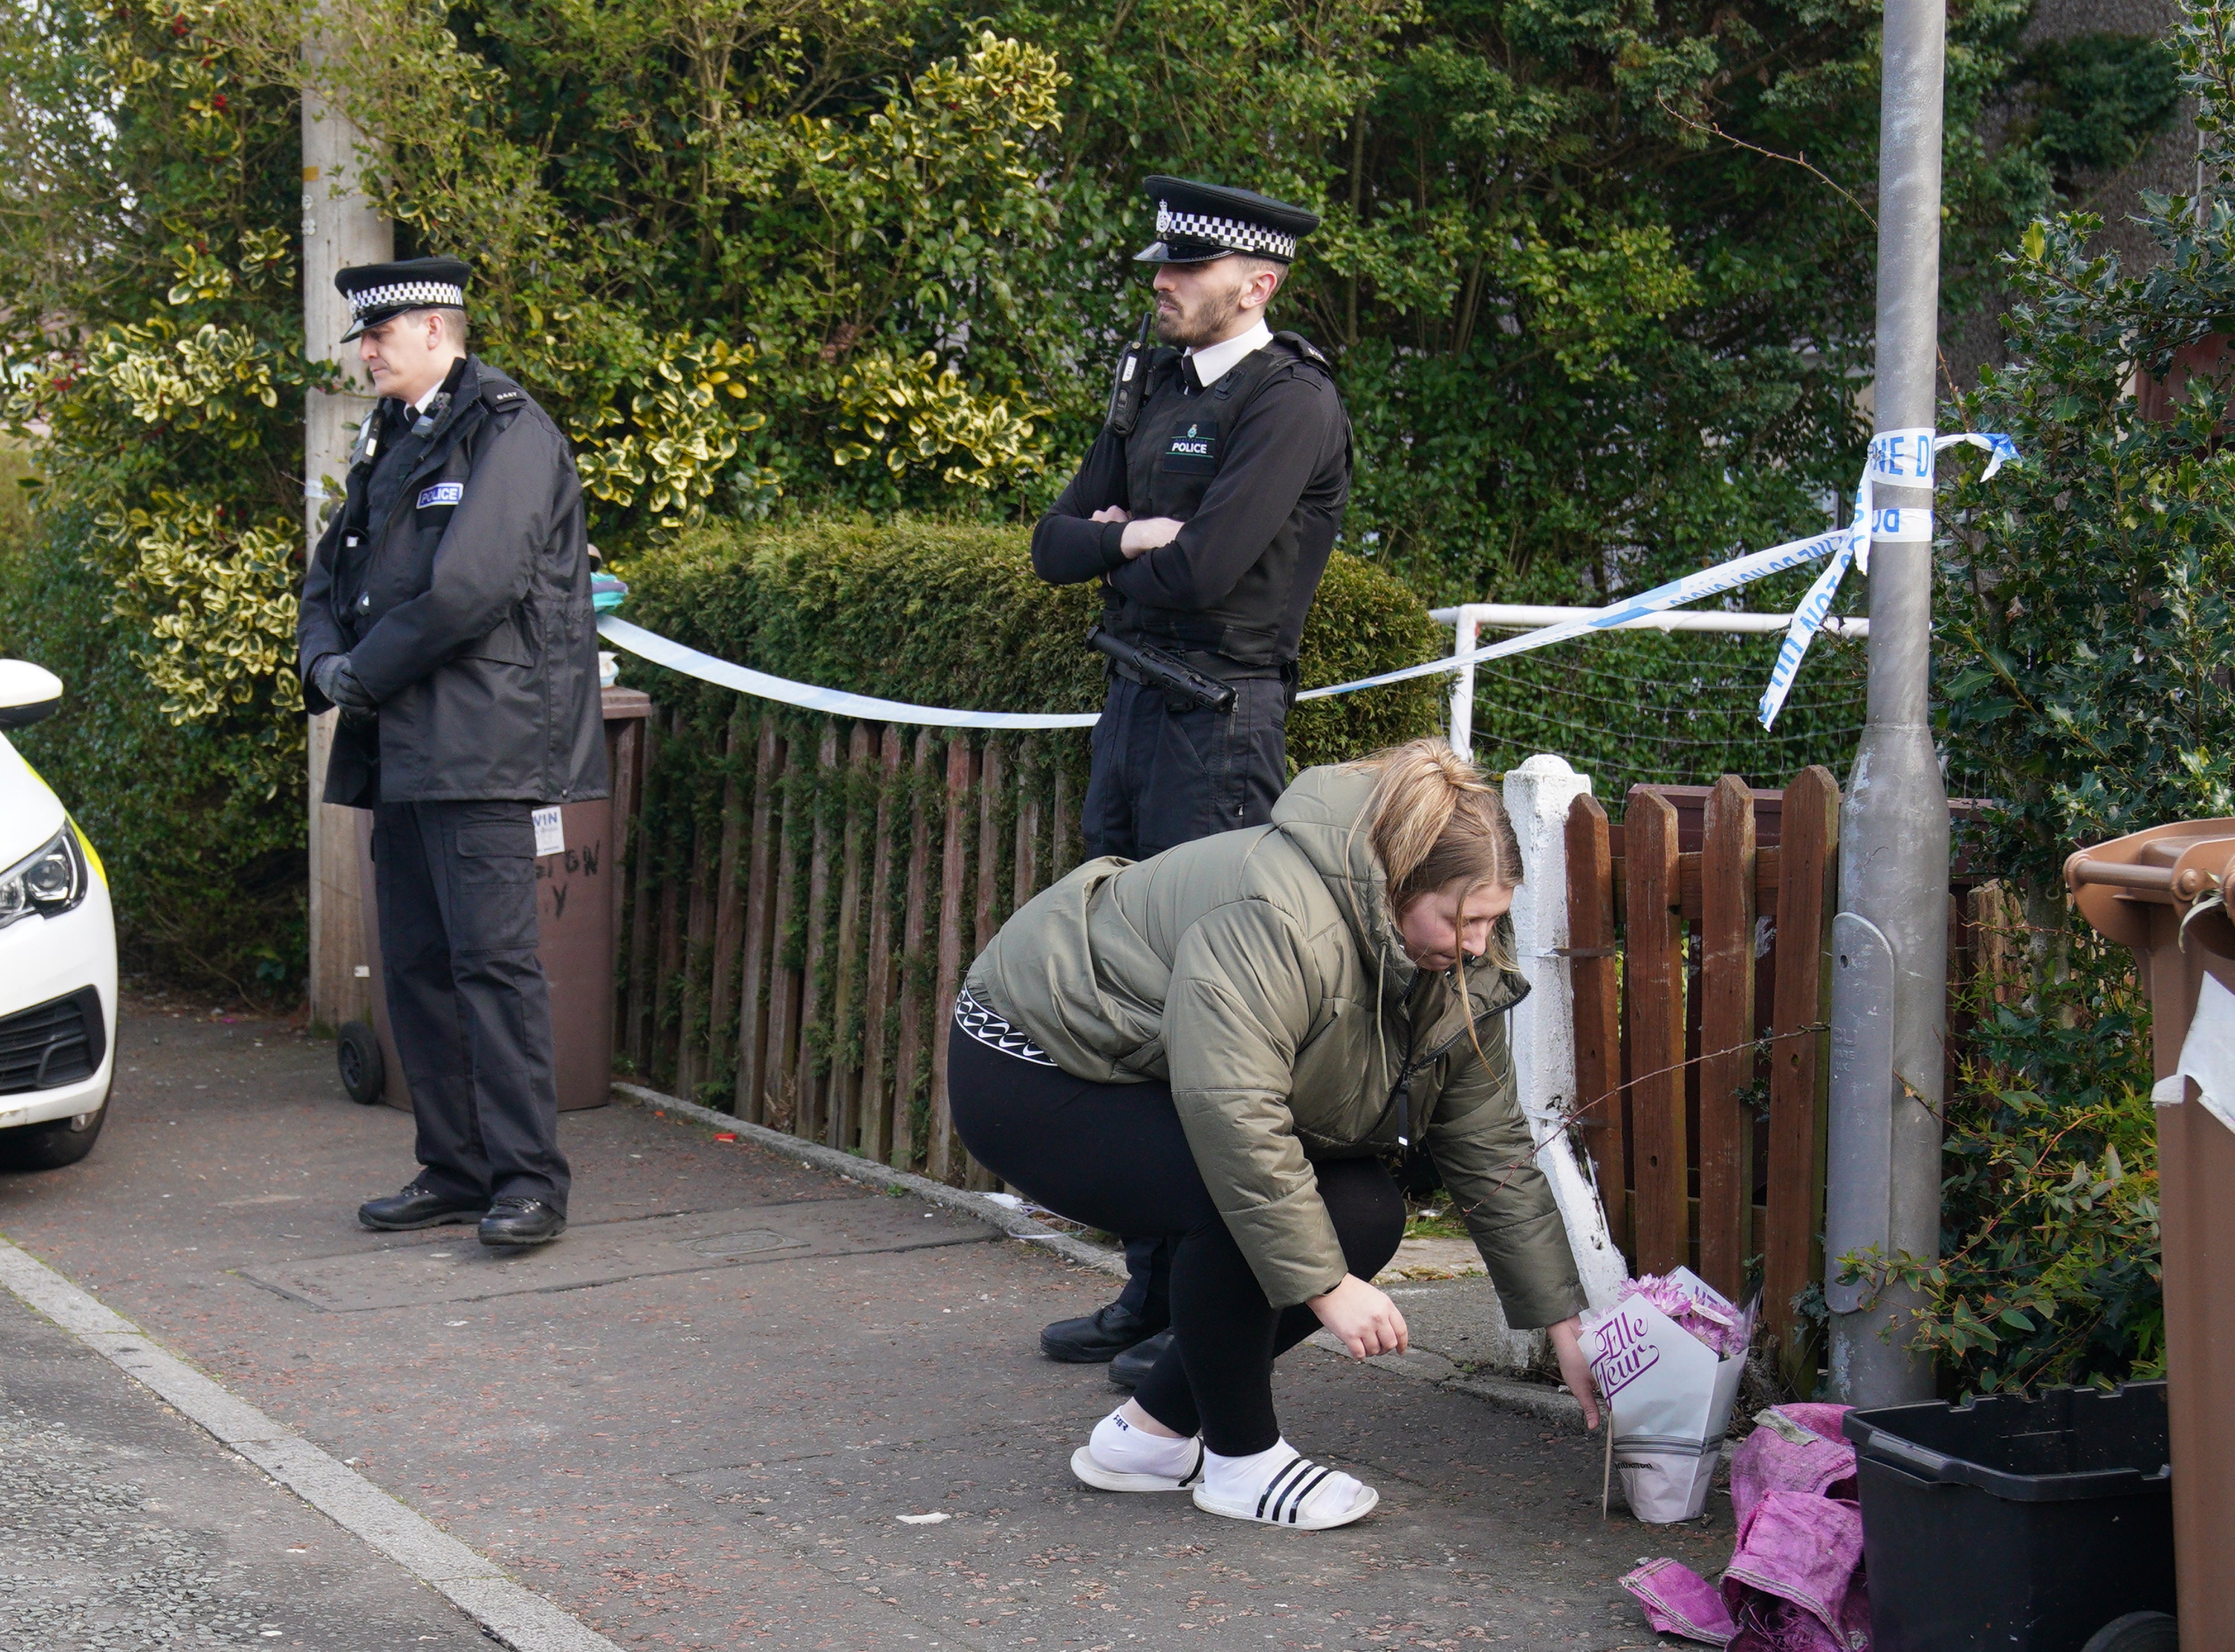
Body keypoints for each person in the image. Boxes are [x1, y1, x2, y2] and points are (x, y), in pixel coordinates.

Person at [948, 740, 1601, 1531]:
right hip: (1034, 1062)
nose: (1474, 943)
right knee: (1230, 1200)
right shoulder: (1276, 912)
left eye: (1492, 920)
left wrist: (1562, 1318)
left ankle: (1146, 1437)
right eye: (1462, 918)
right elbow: (1233, 1112)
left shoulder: (1443, 961)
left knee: (1363, 1214)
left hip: (1149, 1066)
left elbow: (1487, 1136)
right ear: (1399, 882)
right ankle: (1241, 1462)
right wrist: (1324, 1287)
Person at [1028, 175, 1353, 1384]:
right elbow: (1051, 546)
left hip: (1217, 726)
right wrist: (1126, 541)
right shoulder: (1151, 386)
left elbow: (1214, 571)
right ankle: (1146, 1287)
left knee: (1208, 1018)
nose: (1161, 284)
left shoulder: (1291, 403)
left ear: (1254, 284)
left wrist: (1139, 549)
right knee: (1119, 994)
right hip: (1130, 708)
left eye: (1185, 270)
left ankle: (1198, 1313)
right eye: (1160, 267)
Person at [298, 256, 606, 1249]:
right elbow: (331, 568)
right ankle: (456, 1164)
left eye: (382, 334)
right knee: (418, 965)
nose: (369, 350)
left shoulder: (511, 430)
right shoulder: (392, 435)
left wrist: (365, 672)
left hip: (481, 744)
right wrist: (322, 663)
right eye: (365, 336)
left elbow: (470, 587)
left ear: (439, 330)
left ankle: (528, 1180)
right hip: (403, 747)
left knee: (495, 967)